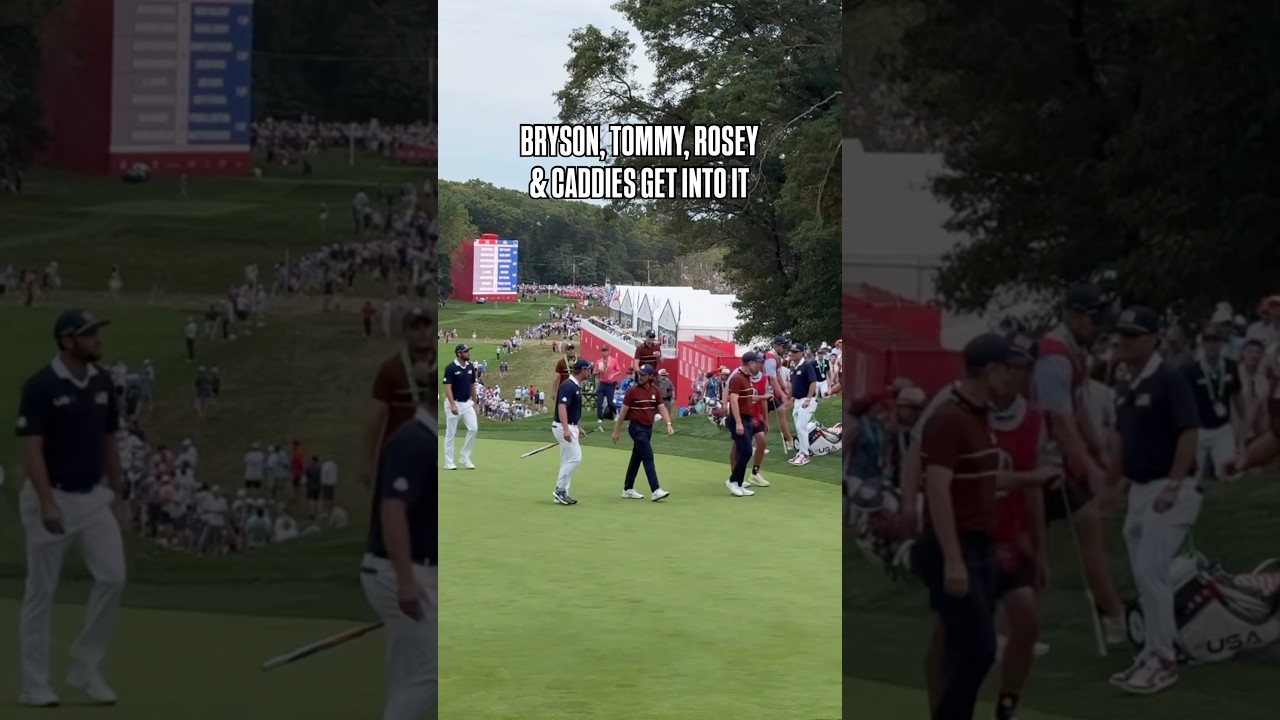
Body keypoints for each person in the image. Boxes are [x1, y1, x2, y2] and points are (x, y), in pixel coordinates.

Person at [913, 333, 1049, 720]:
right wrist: (954, 560)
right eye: (1008, 370)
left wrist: (1032, 479)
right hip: (953, 547)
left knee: (971, 649)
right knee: (977, 649)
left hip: (980, 546)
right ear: (989, 371)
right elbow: (938, 488)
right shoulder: (949, 418)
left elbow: (987, 478)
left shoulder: (978, 416)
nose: (1014, 379)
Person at [16, 310, 126, 706]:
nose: (97, 338)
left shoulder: (102, 382)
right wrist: (47, 502)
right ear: (66, 341)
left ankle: (85, 667)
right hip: (50, 496)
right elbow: (32, 448)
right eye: (88, 334)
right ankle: (34, 684)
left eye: (96, 331)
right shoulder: (41, 386)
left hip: (93, 497)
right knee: (41, 592)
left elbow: (109, 438)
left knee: (113, 577)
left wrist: (117, 492)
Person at [1108, 306, 1202, 695]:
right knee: (1145, 577)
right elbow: (1131, 439)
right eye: (1122, 335)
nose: (1124, 342)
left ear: (1153, 339)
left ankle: (1164, 659)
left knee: (1152, 574)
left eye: (1133, 335)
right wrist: (1121, 483)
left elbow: (1188, 431)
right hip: (1142, 488)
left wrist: (1173, 484)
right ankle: (1150, 653)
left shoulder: (1168, 378)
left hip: (1170, 487)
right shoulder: (1131, 383)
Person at [1034, 282, 1126, 642]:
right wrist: (1090, 468)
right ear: (1073, 316)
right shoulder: (1055, 356)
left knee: (1087, 530)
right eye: (1092, 318)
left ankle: (1115, 617)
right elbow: (1061, 423)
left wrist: (1100, 452)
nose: (1097, 326)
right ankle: (1015, 632)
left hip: (1053, 463)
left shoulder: (1070, 354)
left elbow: (1080, 409)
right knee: (1036, 554)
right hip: (1038, 465)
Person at [362, 358, 436, 719]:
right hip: (396, 571)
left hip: (412, 570)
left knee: (411, 674)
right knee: (431, 671)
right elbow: (392, 512)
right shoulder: (413, 442)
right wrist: (406, 584)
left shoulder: (424, 440)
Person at [363, 308, 434, 487]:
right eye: (415, 327)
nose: (422, 332)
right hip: (401, 455)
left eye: (426, 326)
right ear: (405, 333)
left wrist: (430, 380)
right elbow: (376, 418)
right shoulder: (390, 369)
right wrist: (369, 462)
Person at [1184, 326, 1242, 480]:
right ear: (1202, 344)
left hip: (1223, 428)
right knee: (1192, 479)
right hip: (1198, 429)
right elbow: (1185, 403)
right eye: (1207, 340)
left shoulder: (1231, 366)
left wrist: (1241, 427)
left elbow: (1237, 397)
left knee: (1228, 475)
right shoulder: (1191, 369)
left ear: (1222, 343)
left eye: (1215, 340)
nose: (1211, 345)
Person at [611, 366, 674, 501]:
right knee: (648, 455)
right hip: (636, 428)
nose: (641, 377)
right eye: (640, 374)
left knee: (637, 457)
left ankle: (628, 489)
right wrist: (616, 431)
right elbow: (622, 413)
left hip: (648, 428)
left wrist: (668, 424)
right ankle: (655, 489)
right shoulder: (632, 391)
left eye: (644, 375)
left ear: (651, 377)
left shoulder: (655, 391)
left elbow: (661, 408)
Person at [552, 359, 591, 506]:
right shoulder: (568, 386)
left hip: (569, 426)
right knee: (576, 458)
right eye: (588, 369)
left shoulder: (575, 385)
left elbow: (572, 410)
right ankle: (560, 489)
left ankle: (562, 493)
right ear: (583, 370)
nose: (589, 372)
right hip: (563, 427)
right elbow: (562, 407)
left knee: (566, 460)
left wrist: (577, 426)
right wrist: (567, 430)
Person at [725, 351, 764, 497]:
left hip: (747, 418)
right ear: (750, 363)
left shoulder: (747, 378)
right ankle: (733, 481)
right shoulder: (737, 378)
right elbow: (733, 400)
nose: (758, 365)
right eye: (756, 362)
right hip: (738, 419)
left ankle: (738, 483)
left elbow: (747, 397)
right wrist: (739, 423)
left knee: (745, 451)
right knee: (747, 451)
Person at [442, 343, 478, 470]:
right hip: (454, 403)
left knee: (473, 428)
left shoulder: (470, 367)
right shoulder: (450, 368)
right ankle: (449, 462)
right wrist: (452, 404)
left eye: (468, 350)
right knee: (451, 433)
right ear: (459, 353)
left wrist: (475, 401)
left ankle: (464, 456)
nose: (468, 353)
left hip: (467, 403)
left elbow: (472, 384)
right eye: (466, 351)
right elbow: (448, 388)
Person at [789, 342, 819, 466]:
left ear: (802, 353)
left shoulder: (807, 365)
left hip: (807, 400)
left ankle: (805, 454)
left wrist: (808, 399)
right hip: (797, 400)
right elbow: (794, 385)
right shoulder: (794, 367)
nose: (792, 354)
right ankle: (802, 451)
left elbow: (813, 382)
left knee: (801, 427)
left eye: (795, 352)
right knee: (798, 428)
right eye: (791, 351)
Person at [765, 337, 796, 453]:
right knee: (765, 421)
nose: (784, 349)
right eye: (783, 347)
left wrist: (785, 388)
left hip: (773, 392)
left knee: (782, 412)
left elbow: (778, 376)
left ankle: (790, 440)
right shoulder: (770, 359)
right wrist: (782, 394)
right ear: (777, 346)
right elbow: (772, 380)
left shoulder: (776, 358)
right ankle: (760, 445)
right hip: (766, 392)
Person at [595, 344, 624, 424]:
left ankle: (616, 412)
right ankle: (600, 418)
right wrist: (598, 372)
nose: (604, 353)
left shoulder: (613, 361)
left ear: (608, 352)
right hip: (602, 383)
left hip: (610, 384)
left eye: (606, 351)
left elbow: (619, 370)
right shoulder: (599, 362)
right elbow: (594, 372)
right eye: (603, 351)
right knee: (599, 401)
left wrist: (613, 375)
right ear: (601, 352)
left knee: (610, 402)